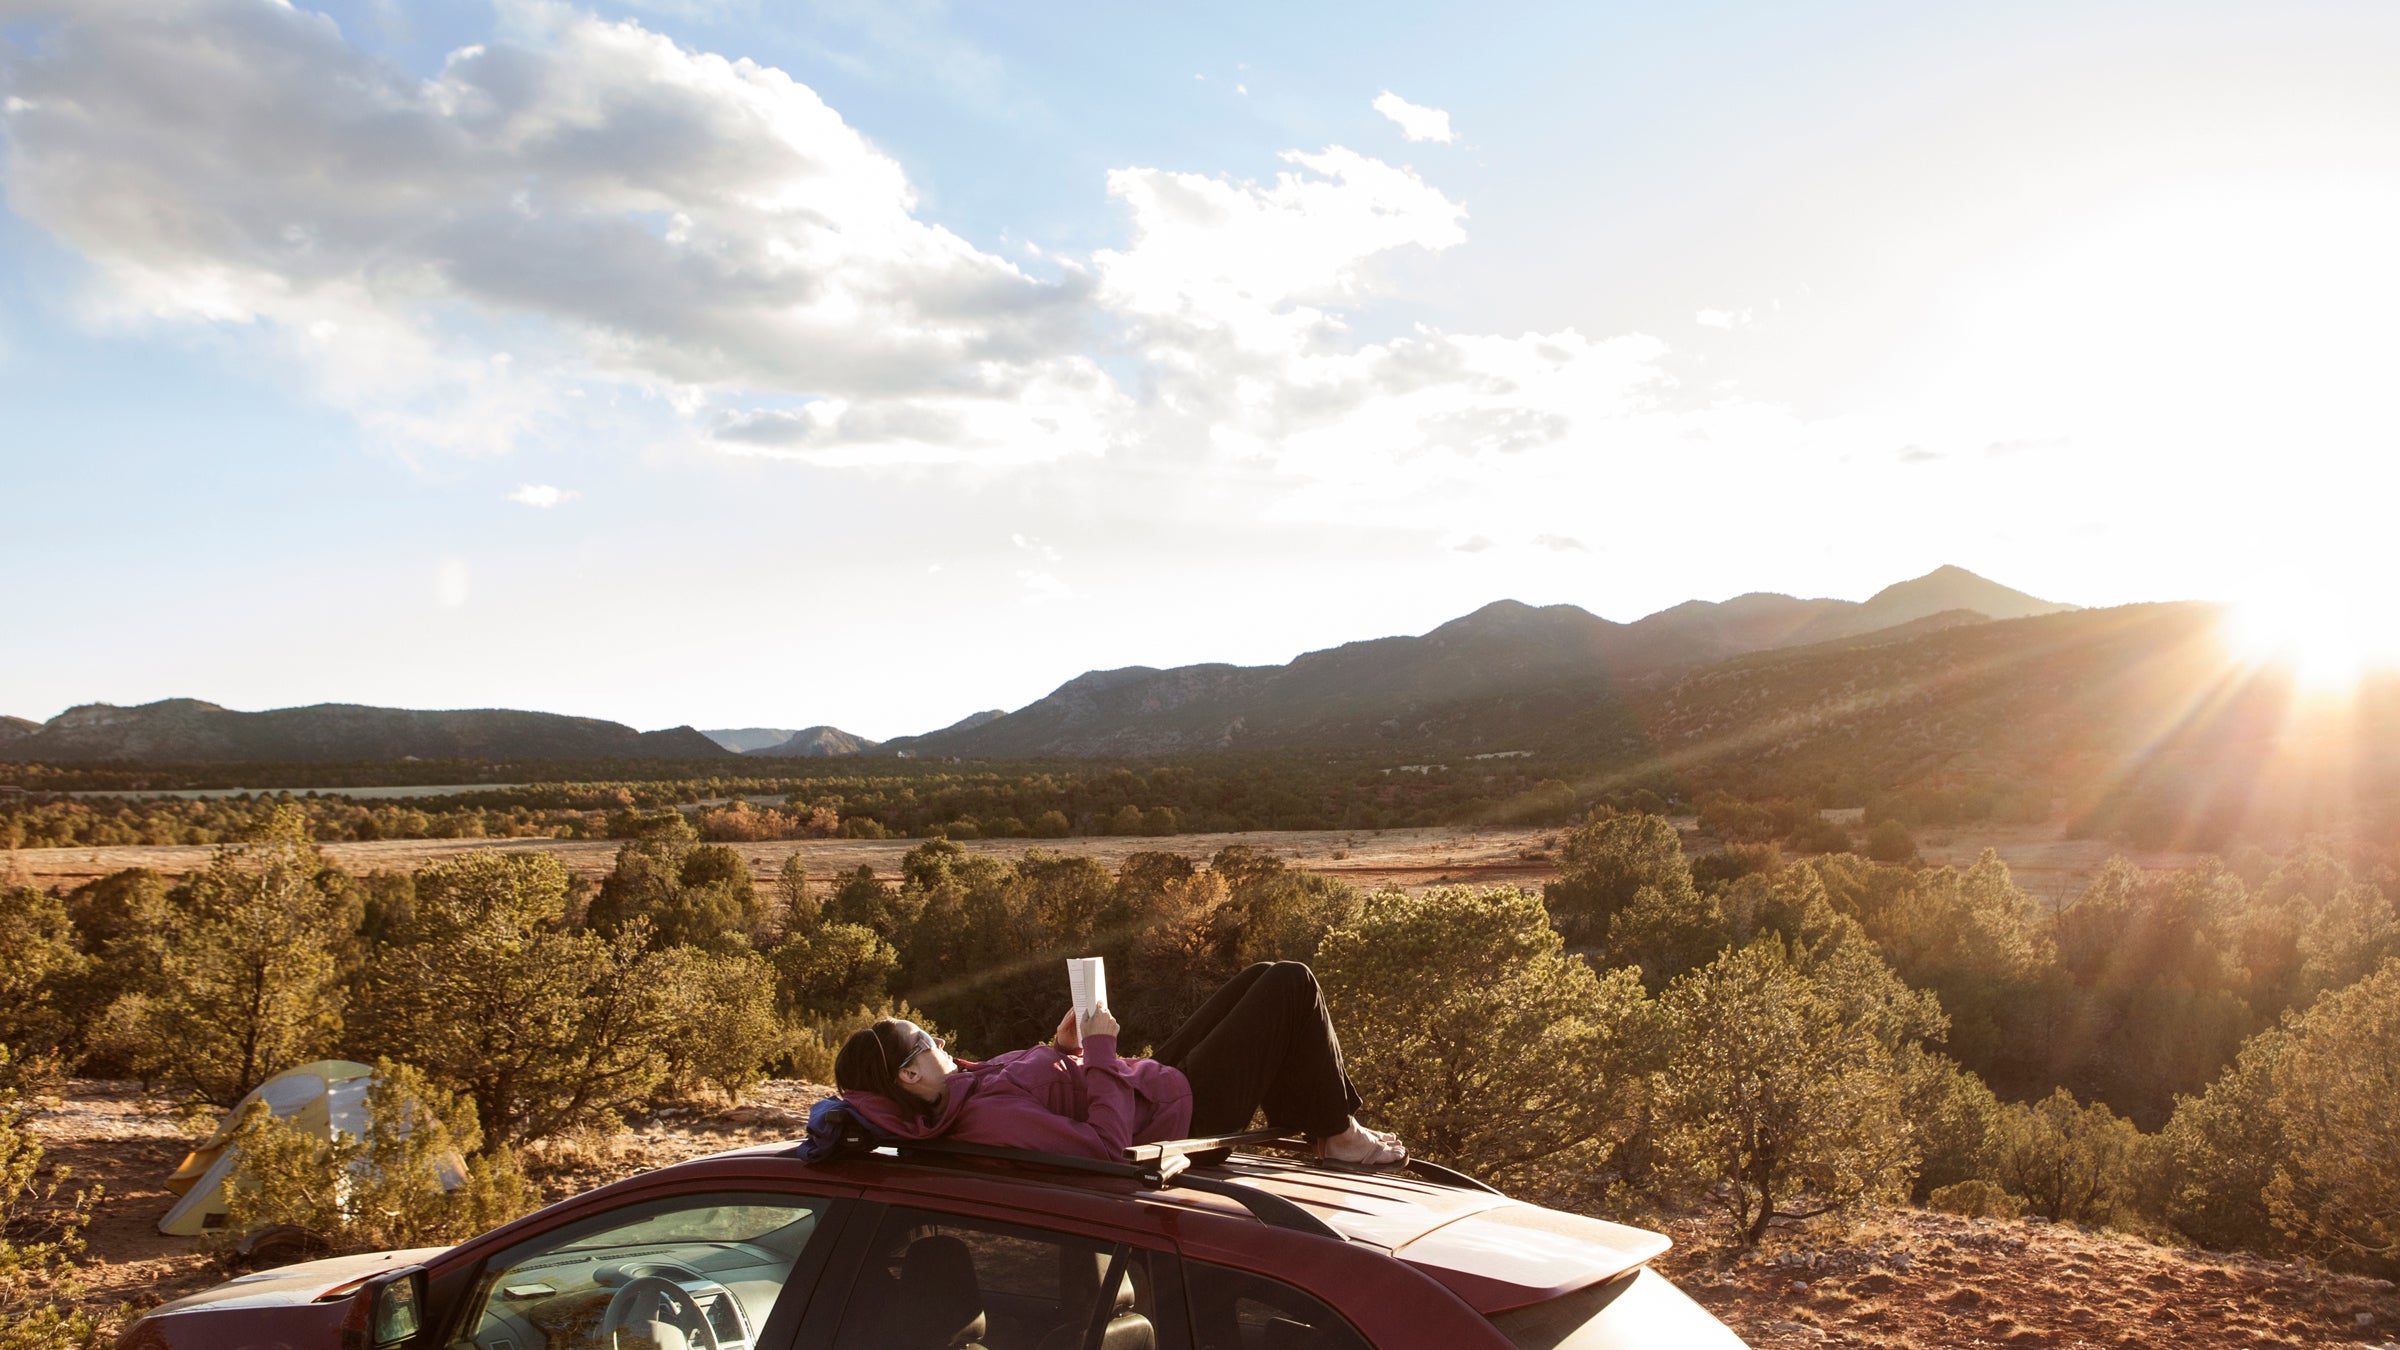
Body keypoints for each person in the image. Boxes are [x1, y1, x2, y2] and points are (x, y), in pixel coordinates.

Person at [833, 961, 1404, 1169]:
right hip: (1179, 1120)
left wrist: (1064, 1048)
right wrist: (1100, 1052)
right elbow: (1106, 1150)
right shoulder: (987, 1118)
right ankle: (1337, 1134)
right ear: (909, 1076)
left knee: (1261, 973)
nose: (937, 1040)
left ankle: (1327, 1129)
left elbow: (1050, 1089)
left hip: (1150, 1088)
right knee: (1290, 985)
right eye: (926, 1038)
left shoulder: (963, 1086)